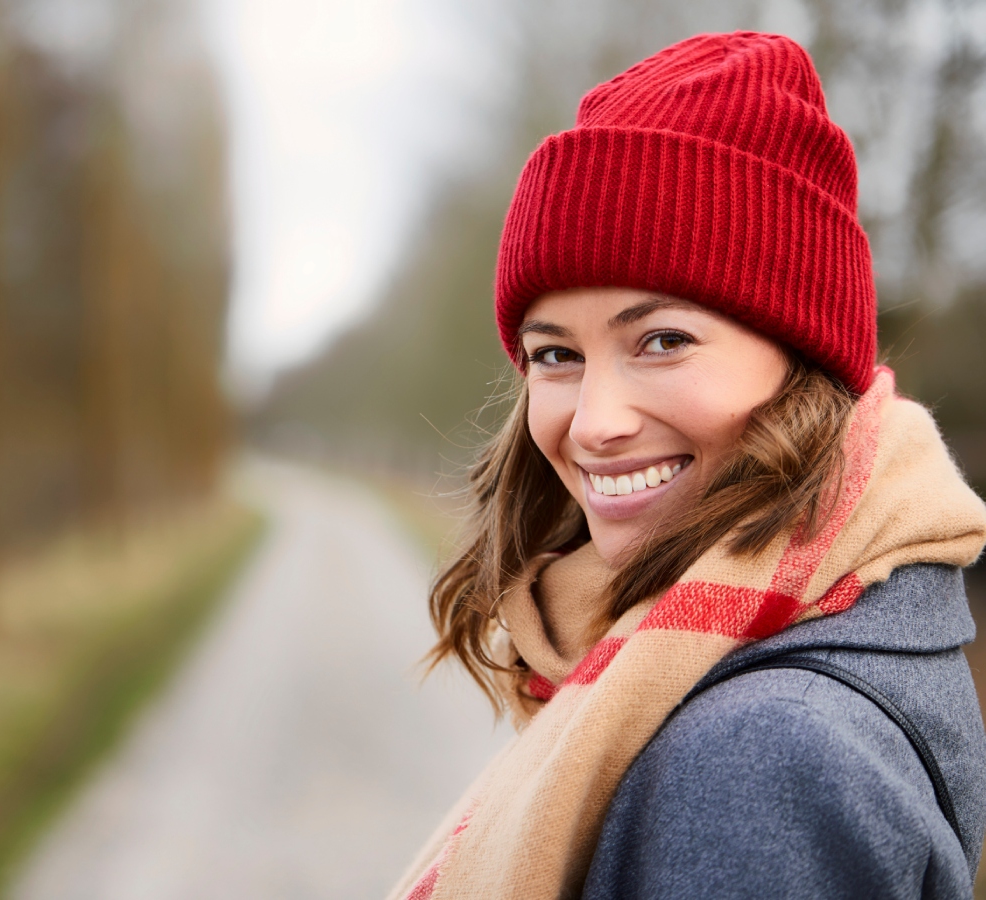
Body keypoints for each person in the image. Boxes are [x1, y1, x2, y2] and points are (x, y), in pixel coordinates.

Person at [387, 31, 986, 900]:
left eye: (662, 341)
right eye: (555, 355)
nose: (594, 424)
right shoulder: (857, 628)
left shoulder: (768, 759)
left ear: (802, 360)